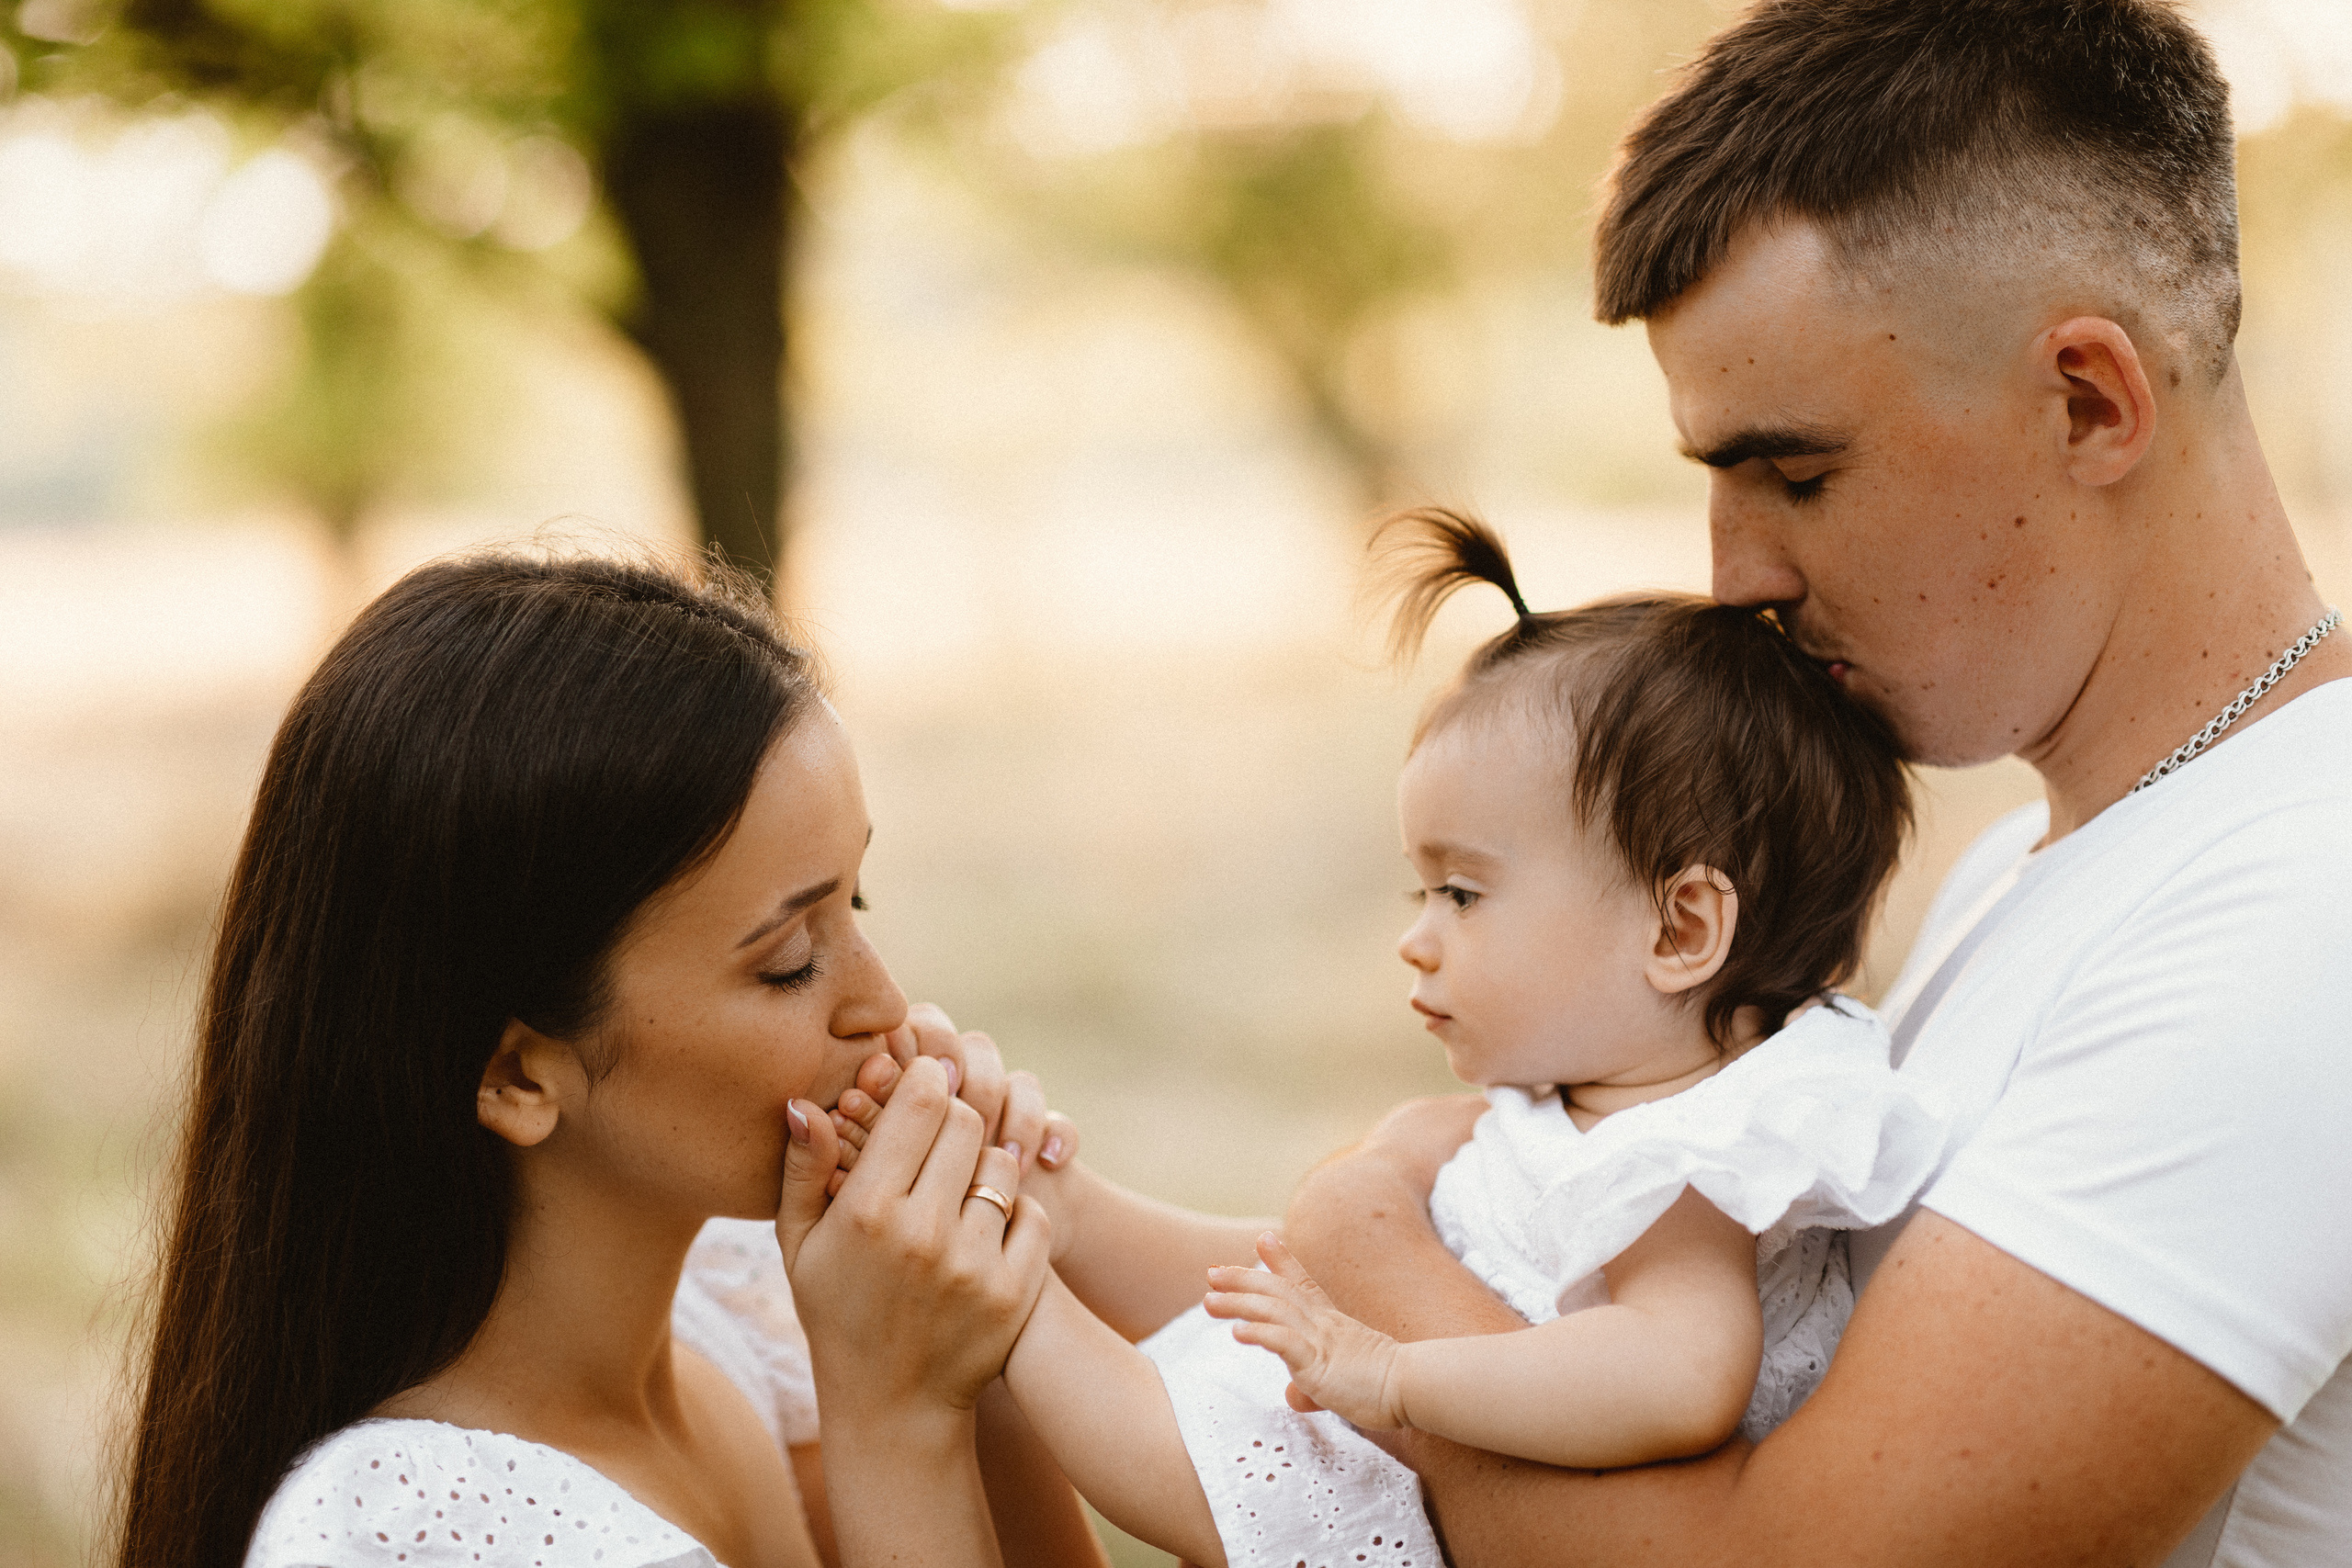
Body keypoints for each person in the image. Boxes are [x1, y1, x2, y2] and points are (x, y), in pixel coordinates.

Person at [1275, 4, 2352, 1565]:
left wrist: (1365, 1259)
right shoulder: (2041, 859)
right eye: (1711, 479)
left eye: (1798, 475)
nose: (1733, 576)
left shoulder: (2301, 920)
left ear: (2090, 404)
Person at [821, 513, 1946, 1568]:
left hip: (1425, 1479)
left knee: (1157, 1442)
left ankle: (1000, 1288)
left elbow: (1677, 1375)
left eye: (1461, 893)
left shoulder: (1694, 1155)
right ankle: (1040, 1218)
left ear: (1681, 927)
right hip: (1384, 1406)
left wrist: (1395, 1373)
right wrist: (1088, 1218)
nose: (1416, 941)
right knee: (1253, 1293)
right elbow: (1311, 1272)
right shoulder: (1591, 1102)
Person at [111, 554, 1108, 1568]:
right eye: (791, 963)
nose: (886, 1005)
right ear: (517, 1076)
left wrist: (985, 1340)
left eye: (851, 902)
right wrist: (897, 1416)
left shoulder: (739, 1305)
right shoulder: (416, 1534)